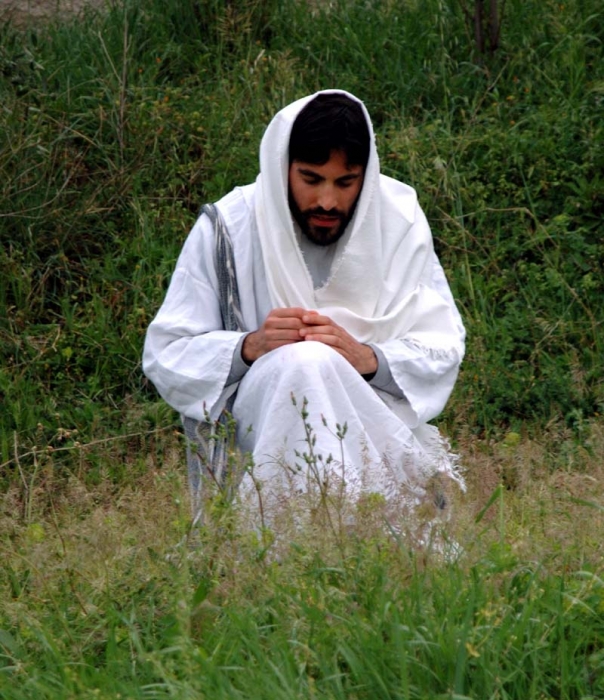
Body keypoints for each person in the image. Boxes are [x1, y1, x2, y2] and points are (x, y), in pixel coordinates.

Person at [143, 89, 465, 520]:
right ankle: (318, 537)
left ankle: (337, 538)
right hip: (257, 435)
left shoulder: (398, 219)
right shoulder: (229, 227)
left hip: (375, 422)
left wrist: (368, 358)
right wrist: (249, 348)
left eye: (345, 183)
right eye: (311, 180)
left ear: (365, 178)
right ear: (283, 167)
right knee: (304, 363)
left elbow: (442, 346)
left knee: (311, 362)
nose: (328, 202)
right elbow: (167, 354)